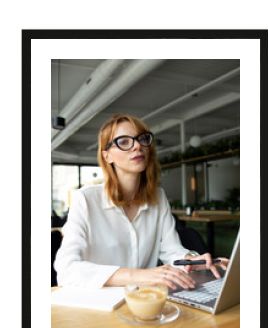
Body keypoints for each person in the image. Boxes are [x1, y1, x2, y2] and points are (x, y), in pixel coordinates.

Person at [54, 114, 228, 290]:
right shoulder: (85, 199)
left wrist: (190, 260)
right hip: (100, 306)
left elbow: (172, 250)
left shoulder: (158, 197)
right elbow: (66, 269)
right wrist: (139, 275)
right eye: (123, 142)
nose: (137, 145)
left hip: (146, 302)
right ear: (107, 156)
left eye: (142, 139)